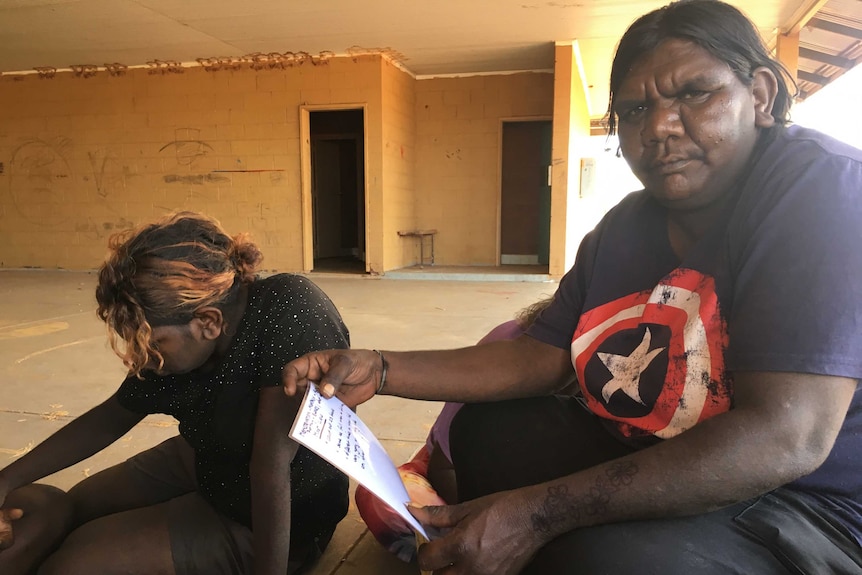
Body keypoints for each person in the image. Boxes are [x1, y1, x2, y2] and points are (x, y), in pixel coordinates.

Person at [283, 1, 862, 573]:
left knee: (605, 560)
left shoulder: (819, 190)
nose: (659, 125)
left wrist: (536, 515)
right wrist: (380, 368)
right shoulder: (625, 226)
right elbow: (538, 357)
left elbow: (788, 436)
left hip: (805, 504)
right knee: (487, 433)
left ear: (759, 95)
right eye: (635, 109)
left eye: (693, 93)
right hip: (653, 447)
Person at [0, 212, 350, 575]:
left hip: (271, 519)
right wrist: (6, 480)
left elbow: (273, 469)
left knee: (69, 567)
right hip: (207, 459)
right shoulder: (176, 345)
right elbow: (111, 417)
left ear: (209, 322)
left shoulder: (290, 310)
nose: (141, 359)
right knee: (73, 507)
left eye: (152, 343)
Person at [354, 296, 556, 562]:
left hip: (542, 496)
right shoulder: (509, 347)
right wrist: (479, 519)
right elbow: (443, 465)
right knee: (387, 504)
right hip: (455, 472)